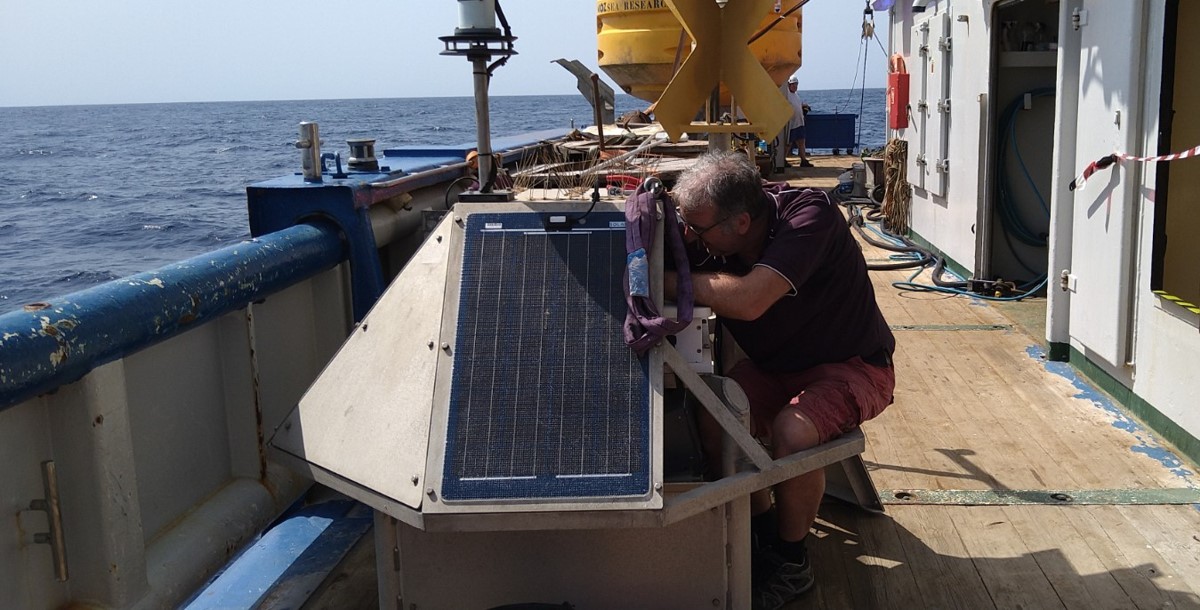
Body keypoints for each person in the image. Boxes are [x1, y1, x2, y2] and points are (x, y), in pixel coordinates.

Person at [664, 151, 895, 609]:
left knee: (794, 431)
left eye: (698, 228)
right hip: (775, 367)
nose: (688, 236)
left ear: (742, 223)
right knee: (716, 417)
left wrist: (670, 281)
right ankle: (765, 535)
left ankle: (792, 560)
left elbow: (750, 301)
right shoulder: (713, 232)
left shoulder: (809, 216)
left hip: (852, 365)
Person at [783, 76, 813, 168]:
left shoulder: (796, 95)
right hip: (791, 123)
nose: (795, 86)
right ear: (789, 84)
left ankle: (803, 160)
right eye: (793, 84)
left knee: (801, 142)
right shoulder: (786, 94)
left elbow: (798, 104)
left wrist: (804, 106)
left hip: (800, 122)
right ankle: (782, 160)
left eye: (796, 84)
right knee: (789, 143)